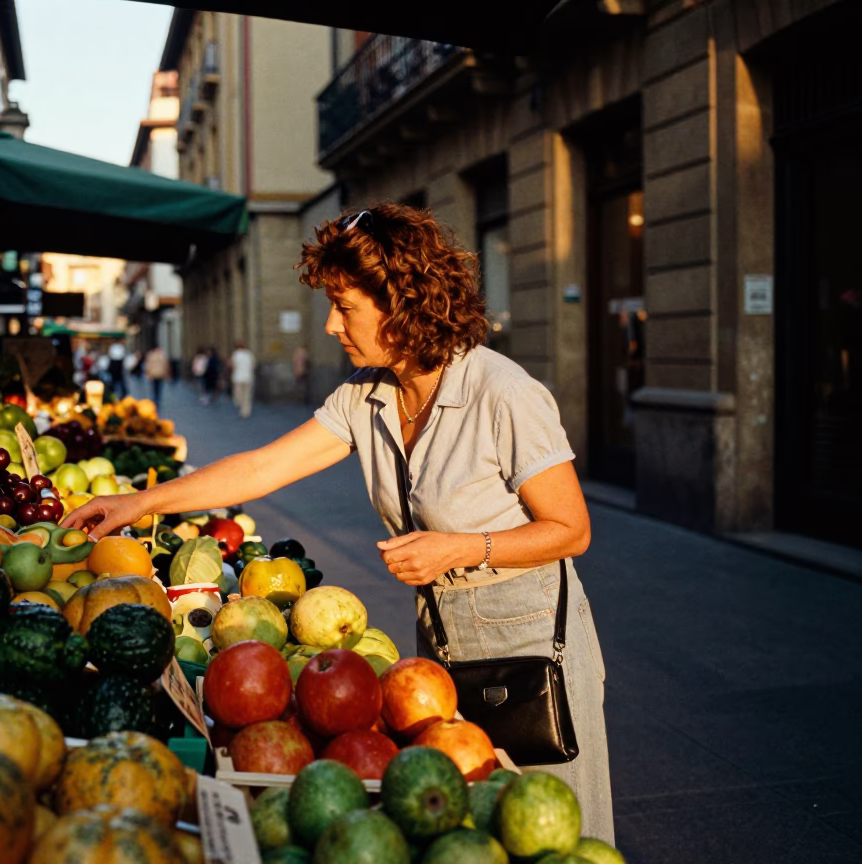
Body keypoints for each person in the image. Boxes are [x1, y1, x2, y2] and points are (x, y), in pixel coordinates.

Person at [60, 203, 612, 841]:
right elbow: (262, 468)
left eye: (345, 307)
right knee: (469, 831)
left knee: (555, 830)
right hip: (443, 644)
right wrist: (141, 503)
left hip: (531, 645)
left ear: (402, 302)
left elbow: (571, 529)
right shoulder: (366, 394)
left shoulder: (501, 392)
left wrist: (459, 548)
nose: (329, 324)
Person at [229, 342, 256, 419]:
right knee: (247, 395)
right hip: (248, 377)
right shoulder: (249, 354)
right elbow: (253, 365)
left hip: (238, 378)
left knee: (238, 394)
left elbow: (232, 365)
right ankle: (246, 411)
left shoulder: (235, 354)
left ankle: (241, 406)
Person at [144, 344, 171, 412]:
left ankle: (155, 399)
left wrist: (148, 373)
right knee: (159, 387)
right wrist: (167, 373)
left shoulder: (150, 355)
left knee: (154, 387)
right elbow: (166, 364)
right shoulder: (162, 355)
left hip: (153, 374)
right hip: (160, 373)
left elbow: (147, 365)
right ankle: (158, 399)